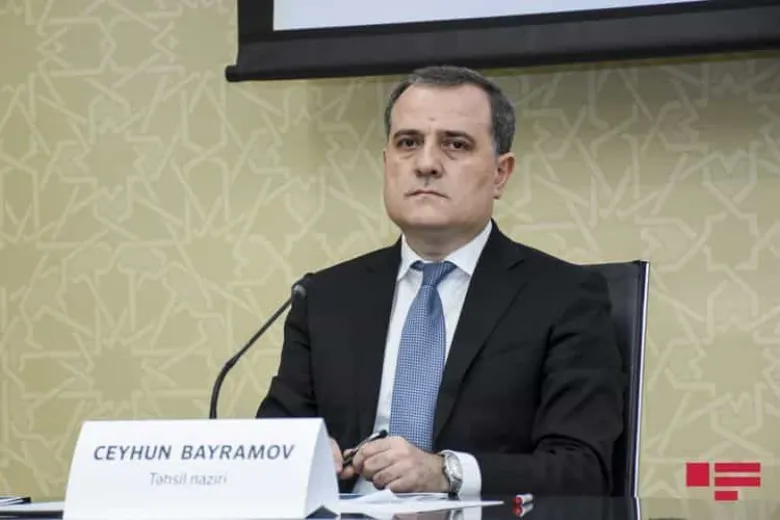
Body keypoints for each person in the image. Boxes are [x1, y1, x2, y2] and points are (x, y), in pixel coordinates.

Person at [256, 65, 624, 497]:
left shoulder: (564, 297)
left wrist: (447, 472)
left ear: (501, 174)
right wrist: (308, 458)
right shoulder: (324, 297)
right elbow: (272, 447)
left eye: (455, 144)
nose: (426, 164)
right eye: (408, 143)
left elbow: (583, 470)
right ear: (387, 163)